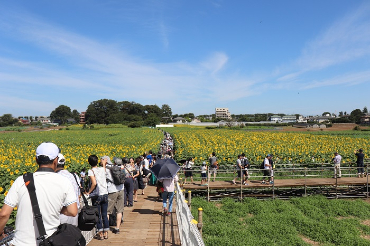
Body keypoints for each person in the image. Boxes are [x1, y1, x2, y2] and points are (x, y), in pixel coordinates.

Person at [0, 142, 78, 246]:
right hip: (48, 242)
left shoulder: (21, 180)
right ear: (56, 160)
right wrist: (57, 208)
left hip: (20, 243)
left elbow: (4, 214)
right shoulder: (64, 181)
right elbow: (73, 211)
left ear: (36, 159)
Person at [85, 155, 109, 240]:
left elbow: (94, 183)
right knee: (104, 214)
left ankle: (100, 234)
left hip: (97, 196)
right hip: (105, 194)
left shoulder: (91, 171)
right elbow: (104, 168)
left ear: (89, 162)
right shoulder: (102, 169)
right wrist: (103, 163)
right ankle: (106, 233)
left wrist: (89, 192)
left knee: (98, 215)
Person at [56, 153, 80, 226]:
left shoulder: (55, 177)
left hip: (62, 214)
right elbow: (79, 195)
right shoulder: (74, 175)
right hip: (75, 214)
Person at [105, 157, 124, 234]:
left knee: (108, 211)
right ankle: (117, 228)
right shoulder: (122, 169)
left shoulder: (108, 169)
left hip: (112, 190)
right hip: (121, 190)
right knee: (119, 210)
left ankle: (106, 229)